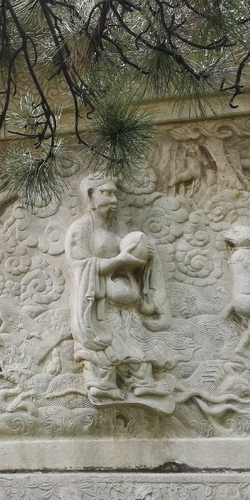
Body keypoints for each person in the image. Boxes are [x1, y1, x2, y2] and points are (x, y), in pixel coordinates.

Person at [65, 174, 171, 406]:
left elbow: (131, 259)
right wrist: (120, 260)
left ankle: (140, 385)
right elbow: (80, 265)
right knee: (102, 356)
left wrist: (145, 258)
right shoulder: (80, 229)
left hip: (128, 308)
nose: (113, 198)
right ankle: (103, 388)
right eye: (106, 192)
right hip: (102, 307)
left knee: (136, 356)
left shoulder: (120, 228)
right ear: (90, 195)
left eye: (114, 193)